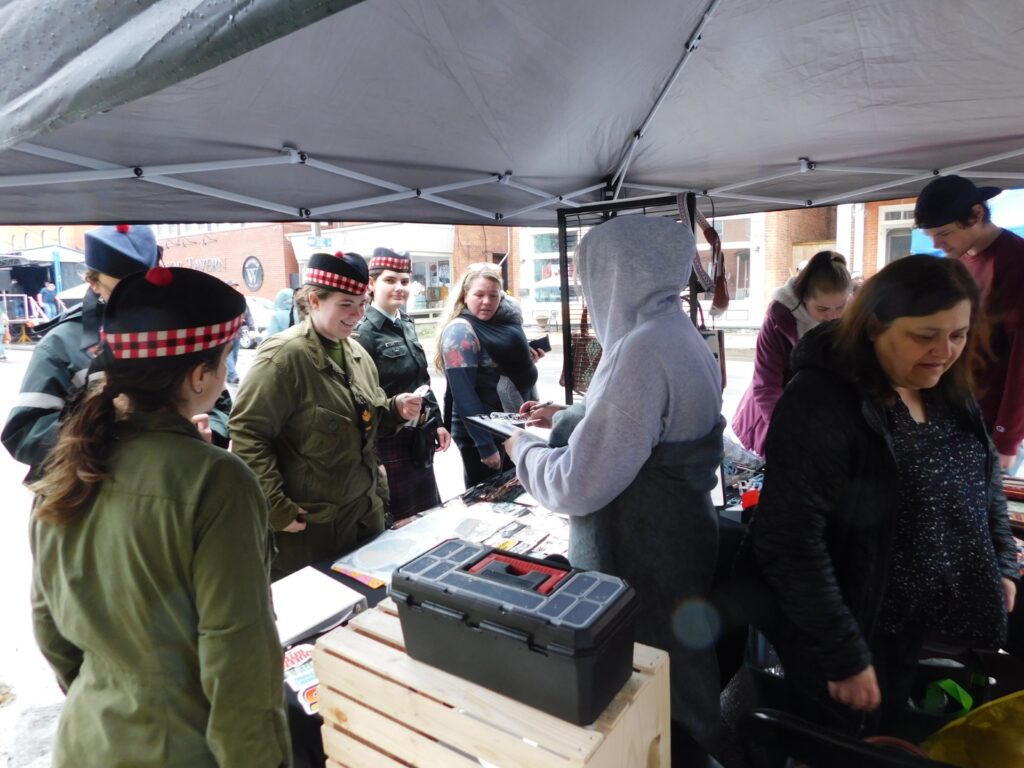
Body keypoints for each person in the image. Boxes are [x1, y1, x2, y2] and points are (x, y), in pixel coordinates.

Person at [28, 266, 290, 768]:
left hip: (87, 738)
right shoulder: (216, 479)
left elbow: (50, 631)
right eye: (224, 360)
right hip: (182, 747)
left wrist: (113, 688)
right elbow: (237, 655)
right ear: (198, 375)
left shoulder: (66, 463)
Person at [747, 255, 1018, 736]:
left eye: (958, 334)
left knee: (900, 733)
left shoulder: (945, 384)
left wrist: (1001, 560)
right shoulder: (821, 399)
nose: (946, 350)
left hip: (923, 620)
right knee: (851, 741)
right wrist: (843, 654)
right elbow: (788, 541)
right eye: (925, 335)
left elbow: (984, 478)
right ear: (874, 326)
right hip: (854, 623)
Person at [505, 216, 726, 759]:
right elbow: (646, 422)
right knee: (681, 679)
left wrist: (522, 450)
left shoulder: (639, 351)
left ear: (617, 273)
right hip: (683, 544)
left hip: (638, 564)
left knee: (644, 705)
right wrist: (576, 414)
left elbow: (577, 486)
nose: (587, 290)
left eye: (589, 275)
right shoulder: (680, 334)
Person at [230, 251, 423, 580]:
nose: (357, 314)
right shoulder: (283, 357)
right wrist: (276, 508)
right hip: (312, 527)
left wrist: (394, 409)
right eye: (346, 304)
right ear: (315, 301)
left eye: (362, 303)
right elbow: (248, 433)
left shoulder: (357, 352)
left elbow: (366, 418)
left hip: (364, 514)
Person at [2, 225, 162, 479]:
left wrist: (210, 431)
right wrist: (101, 430)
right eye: (121, 290)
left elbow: (216, 401)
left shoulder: (176, 328)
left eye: (146, 287)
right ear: (93, 282)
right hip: (86, 498)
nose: (136, 299)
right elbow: (23, 434)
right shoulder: (61, 344)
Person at [915, 174, 1024, 474]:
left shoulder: (1017, 263)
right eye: (931, 236)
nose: (937, 244)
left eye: (944, 233)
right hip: (957, 413)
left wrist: (1007, 437)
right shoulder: (960, 263)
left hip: (993, 425)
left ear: (976, 214)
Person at [353, 248, 451, 520]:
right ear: (372, 284)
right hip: (388, 440)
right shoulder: (363, 332)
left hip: (417, 438)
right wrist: (374, 457)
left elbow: (423, 381)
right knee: (400, 523)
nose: (399, 287)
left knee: (427, 518)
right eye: (390, 280)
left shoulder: (406, 324)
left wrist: (438, 423)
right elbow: (361, 399)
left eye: (405, 281)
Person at [732, 250, 851, 456]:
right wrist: (790, 431)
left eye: (839, 307)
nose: (832, 316)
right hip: (778, 414)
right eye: (822, 309)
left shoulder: (852, 315)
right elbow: (766, 387)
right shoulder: (779, 319)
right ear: (804, 297)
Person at [435, 262, 539, 486]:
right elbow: (464, 396)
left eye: (493, 296)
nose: (487, 302)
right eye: (479, 294)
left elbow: (500, 368)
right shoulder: (459, 331)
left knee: (509, 497)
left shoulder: (495, 326)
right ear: (465, 295)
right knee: (484, 503)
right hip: (479, 433)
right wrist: (485, 446)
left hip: (506, 427)